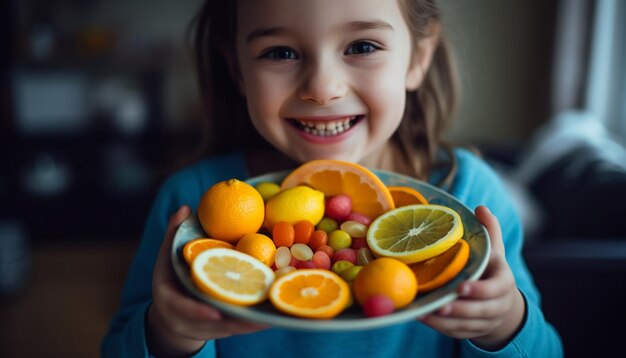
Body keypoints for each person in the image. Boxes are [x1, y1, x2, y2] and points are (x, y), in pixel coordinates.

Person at [102, 0, 563, 356]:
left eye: (362, 46)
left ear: (418, 57)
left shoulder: (470, 195)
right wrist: (167, 333)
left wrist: (504, 323)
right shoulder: (193, 201)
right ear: (236, 70)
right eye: (279, 52)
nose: (322, 89)